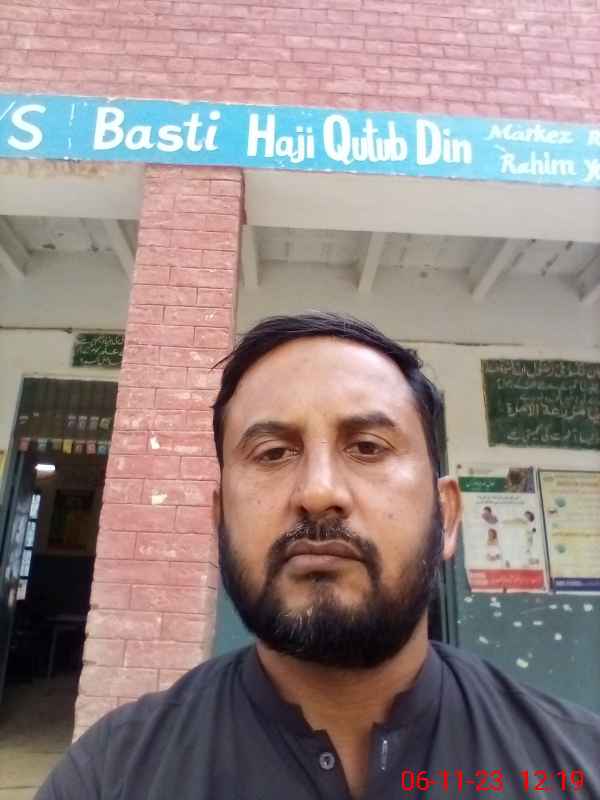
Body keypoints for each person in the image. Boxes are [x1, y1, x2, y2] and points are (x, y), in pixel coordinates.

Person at [35, 312, 600, 800]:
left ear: (447, 516)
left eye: (368, 447)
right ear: (220, 519)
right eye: (273, 452)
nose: (318, 491)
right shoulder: (110, 775)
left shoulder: (578, 766)